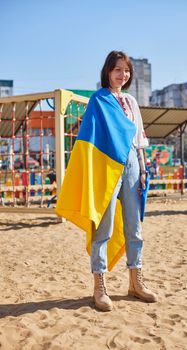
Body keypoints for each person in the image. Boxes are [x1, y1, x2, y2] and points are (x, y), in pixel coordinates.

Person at [56, 50, 156, 312]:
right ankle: (99, 286)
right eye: (117, 70)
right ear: (107, 72)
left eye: (126, 70)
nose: (122, 75)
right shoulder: (98, 100)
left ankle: (136, 282)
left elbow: (139, 140)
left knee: (135, 228)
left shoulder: (132, 101)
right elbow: (89, 141)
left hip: (133, 165)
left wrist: (144, 170)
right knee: (104, 227)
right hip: (106, 167)